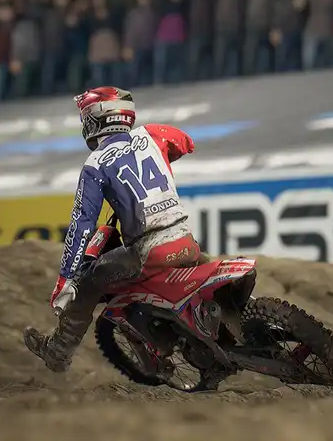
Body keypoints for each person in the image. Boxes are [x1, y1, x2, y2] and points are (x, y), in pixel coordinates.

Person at [23, 86, 204, 373]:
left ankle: (58, 351)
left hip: (148, 250)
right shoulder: (154, 135)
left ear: (97, 118)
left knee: (89, 281)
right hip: (185, 240)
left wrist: (66, 279)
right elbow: (186, 142)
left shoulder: (94, 164)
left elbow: (82, 224)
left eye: (86, 118)